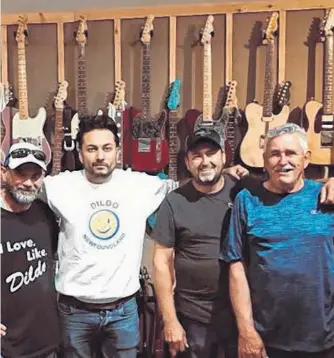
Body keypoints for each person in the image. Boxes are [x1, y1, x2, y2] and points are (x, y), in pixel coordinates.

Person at [38, 113, 248, 358]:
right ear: (80, 152)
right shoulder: (58, 186)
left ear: (117, 151)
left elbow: (184, 186)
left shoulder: (139, 185)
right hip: (74, 310)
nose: (100, 156)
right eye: (92, 149)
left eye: (107, 148)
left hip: (124, 310)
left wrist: (225, 170)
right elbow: (19, 187)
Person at [220, 123, 334, 358]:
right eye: (275, 154)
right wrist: (246, 331)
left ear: (306, 158)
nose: (283, 161)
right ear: (264, 161)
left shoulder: (326, 197)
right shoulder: (247, 200)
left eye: (291, 153)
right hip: (266, 339)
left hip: (324, 337)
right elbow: (236, 267)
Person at [151, 127, 240, 358]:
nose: (205, 161)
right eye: (197, 156)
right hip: (191, 318)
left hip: (238, 315)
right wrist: (170, 321)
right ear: (188, 162)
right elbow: (161, 262)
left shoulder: (242, 193)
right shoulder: (174, 201)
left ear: (223, 156)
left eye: (211, 153)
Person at [0, 142, 60, 358]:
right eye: (21, 174)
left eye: (35, 176)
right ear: (4, 172)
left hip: (47, 343)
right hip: (7, 348)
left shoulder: (45, 214)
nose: (28, 183)